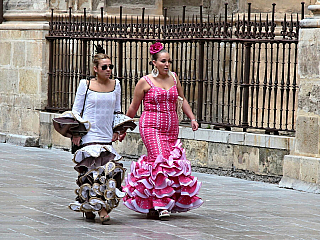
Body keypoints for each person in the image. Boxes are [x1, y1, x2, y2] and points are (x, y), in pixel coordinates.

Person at [120, 42, 203, 220]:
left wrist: (192, 118)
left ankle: (153, 203)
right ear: (154, 63)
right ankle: (160, 205)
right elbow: (133, 108)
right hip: (150, 126)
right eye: (163, 61)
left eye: (169, 61)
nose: (167, 64)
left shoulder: (174, 78)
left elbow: (182, 99)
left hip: (171, 127)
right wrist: (124, 128)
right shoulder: (144, 81)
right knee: (159, 161)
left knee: (169, 163)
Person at [68, 49, 130, 224]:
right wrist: (76, 133)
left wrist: (118, 130)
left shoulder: (116, 85)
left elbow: (117, 111)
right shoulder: (85, 85)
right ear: (95, 68)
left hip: (106, 137)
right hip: (89, 136)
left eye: (110, 66)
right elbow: (76, 110)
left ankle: (89, 205)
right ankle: (100, 210)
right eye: (105, 67)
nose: (108, 69)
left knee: (110, 174)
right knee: (93, 174)